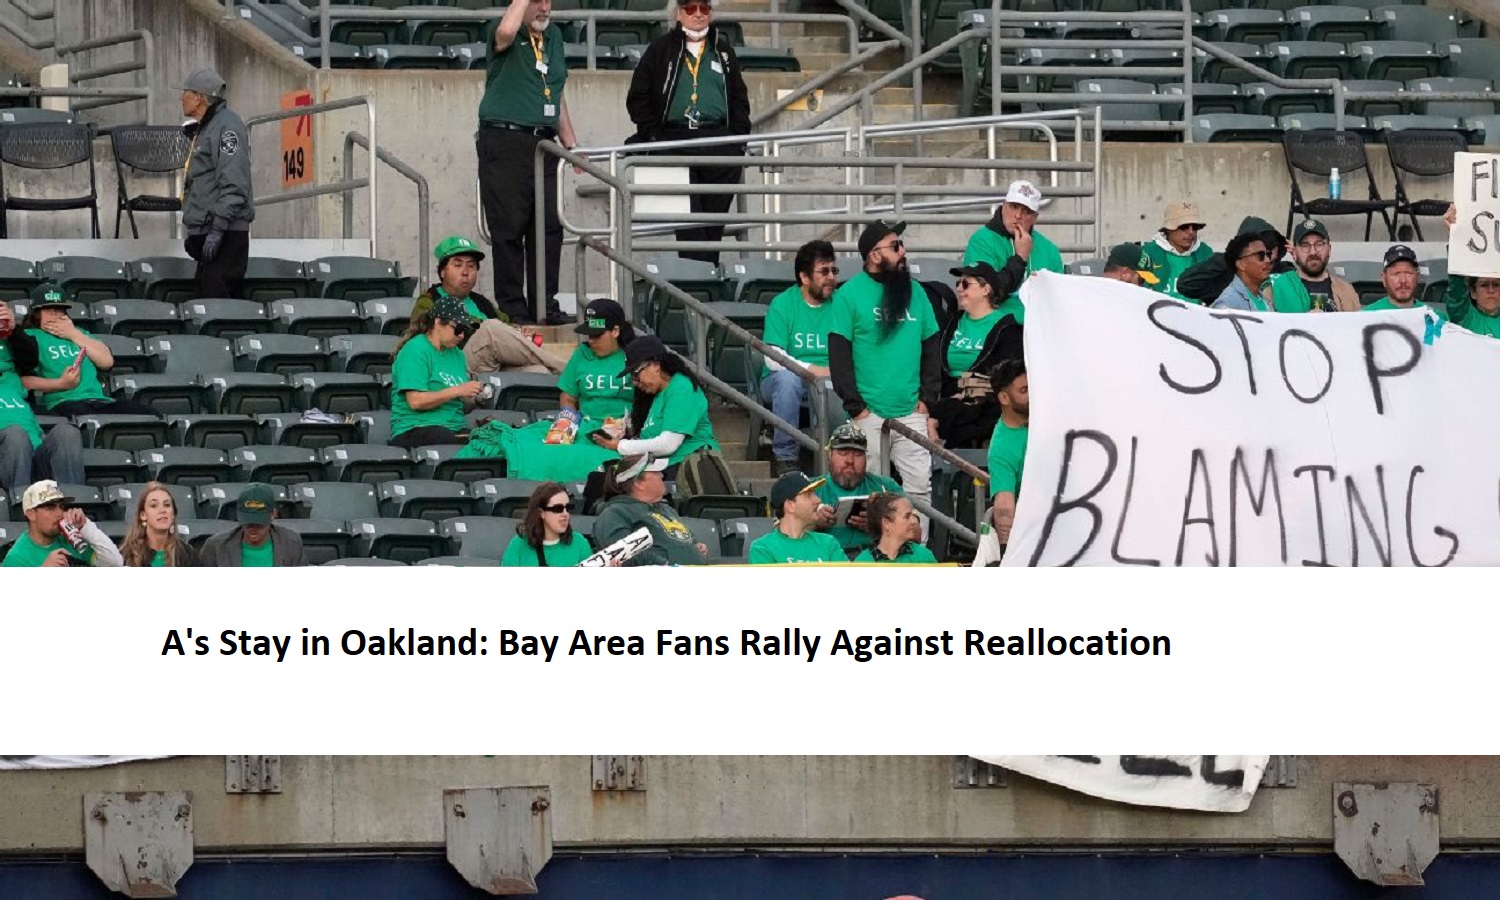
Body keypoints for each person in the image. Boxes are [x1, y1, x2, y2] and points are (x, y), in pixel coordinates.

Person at [829, 219, 941, 528]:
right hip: (870, 414)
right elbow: (839, 355)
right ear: (874, 254)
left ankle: (919, 556)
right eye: (895, 246)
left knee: (920, 489)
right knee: (875, 493)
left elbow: (932, 345)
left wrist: (927, 399)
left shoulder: (916, 292)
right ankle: (878, 555)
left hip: (911, 412)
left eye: (901, 244)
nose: (903, 251)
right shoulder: (848, 295)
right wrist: (856, 407)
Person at [624, 0, 751, 265]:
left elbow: (739, 99)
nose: (698, 14)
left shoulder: (723, 51)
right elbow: (638, 96)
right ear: (678, 13)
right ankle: (698, 280)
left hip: (718, 142)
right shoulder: (660, 49)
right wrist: (652, 135)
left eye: (704, 9)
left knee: (713, 227)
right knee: (688, 223)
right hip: (675, 142)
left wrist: (737, 140)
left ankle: (703, 282)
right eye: (691, 8)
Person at [477, 0, 578, 324]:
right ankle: (513, 309)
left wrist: (571, 144)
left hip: (545, 142)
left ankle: (544, 306)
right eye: (538, 1)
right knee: (509, 228)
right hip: (506, 140)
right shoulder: (505, 28)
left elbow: (555, 94)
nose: (545, 7)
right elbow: (506, 31)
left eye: (549, 1)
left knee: (550, 227)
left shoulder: (555, 38)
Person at [409, 236, 566, 376]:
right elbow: (421, 334)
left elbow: (504, 326)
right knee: (490, 329)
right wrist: (479, 326)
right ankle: (568, 370)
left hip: (492, 366)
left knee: (539, 372)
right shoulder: (430, 299)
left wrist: (518, 333)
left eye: (471, 266)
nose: (465, 272)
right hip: (453, 366)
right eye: (458, 265)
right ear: (442, 271)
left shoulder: (481, 302)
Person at [589, 335, 720, 480]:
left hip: (690, 470)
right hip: (661, 468)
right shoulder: (658, 394)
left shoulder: (681, 389)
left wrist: (620, 445)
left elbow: (668, 444)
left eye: (636, 374)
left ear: (656, 364)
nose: (636, 382)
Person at [760, 239, 839, 474]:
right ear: (804, 277)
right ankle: (786, 458)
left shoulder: (843, 304)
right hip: (785, 378)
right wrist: (811, 369)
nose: (831, 277)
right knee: (788, 380)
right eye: (823, 272)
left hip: (833, 378)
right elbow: (773, 357)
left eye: (834, 270)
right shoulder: (783, 304)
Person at [19, 285, 156, 417]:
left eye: (59, 309)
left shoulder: (79, 333)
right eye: (48, 309)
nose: (54, 314)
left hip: (99, 400)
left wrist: (73, 334)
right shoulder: (29, 336)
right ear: (36, 313)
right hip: (63, 402)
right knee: (85, 415)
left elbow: (106, 362)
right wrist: (60, 384)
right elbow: (20, 380)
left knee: (150, 415)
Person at [929, 261, 1023, 449]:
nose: (959, 289)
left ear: (986, 289)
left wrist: (967, 393)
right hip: (948, 397)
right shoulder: (951, 323)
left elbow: (1006, 376)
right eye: (957, 284)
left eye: (966, 284)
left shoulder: (1008, 328)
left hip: (984, 399)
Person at [179, 66, 253, 300]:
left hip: (225, 234)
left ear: (199, 98)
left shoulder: (226, 127)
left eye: (186, 92)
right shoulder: (208, 127)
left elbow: (235, 184)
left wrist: (217, 229)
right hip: (211, 231)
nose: (181, 97)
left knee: (217, 308)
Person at [1, 300, 84, 495]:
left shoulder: (11, 376)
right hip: (6, 454)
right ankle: (20, 510)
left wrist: (13, 329)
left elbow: (30, 359)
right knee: (15, 435)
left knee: (66, 432)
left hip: (34, 450)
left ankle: (74, 509)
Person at [388, 295, 484, 450]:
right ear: (438, 322)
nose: (462, 336)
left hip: (454, 427)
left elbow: (457, 404)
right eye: (458, 329)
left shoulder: (458, 355)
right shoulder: (415, 350)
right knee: (444, 438)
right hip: (415, 428)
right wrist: (457, 390)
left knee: (490, 440)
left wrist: (475, 398)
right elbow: (415, 401)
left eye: (466, 330)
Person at [961, 180, 1060, 324]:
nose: (1018, 215)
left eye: (1026, 211)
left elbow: (1057, 299)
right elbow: (985, 296)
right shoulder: (982, 241)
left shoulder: (1049, 250)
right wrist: (1020, 259)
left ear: (1034, 218)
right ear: (1003, 206)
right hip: (993, 328)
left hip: (1038, 329)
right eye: (1014, 207)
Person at [592, 453, 710, 565]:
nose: (662, 475)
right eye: (655, 472)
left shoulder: (667, 509)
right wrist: (666, 564)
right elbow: (626, 556)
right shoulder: (614, 515)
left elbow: (684, 539)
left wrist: (694, 547)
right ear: (638, 483)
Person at [811, 421, 903, 558]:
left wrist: (879, 526)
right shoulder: (809, 489)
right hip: (825, 563)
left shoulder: (886, 487)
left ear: (866, 458)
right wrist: (812, 522)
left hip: (875, 563)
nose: (850, 460)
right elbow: (784, 534)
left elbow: (915, 532)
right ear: (830, 454)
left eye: (858, 454)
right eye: (843, 452)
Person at [1, 479, 123, 567]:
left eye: (61, 506)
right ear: (31, 514)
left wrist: (85, 526)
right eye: (50, 508)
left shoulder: (70, 537)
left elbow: (115, 563)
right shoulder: (17, 558)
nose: (60, 513)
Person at [1175, 216, 1286, 304]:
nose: (1267, 260)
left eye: (1271, 258)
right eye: (1260, 254)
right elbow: (1185, 285)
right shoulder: (1224, 277)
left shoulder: (1284, 273)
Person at [559, 298, 635, 424]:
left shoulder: (635, 354)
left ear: (615, 331)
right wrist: (569, 424)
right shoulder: (582, 353)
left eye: (597, 335)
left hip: (627, 431)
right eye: (589, 335)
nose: (591, 341)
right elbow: (567, 398)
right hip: (585, 427)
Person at [747, 471, 848, 564]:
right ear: (790, 506)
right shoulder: (763, 549)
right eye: (809, 495)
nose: (818, 500)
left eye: (814, 494)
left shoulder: (829, 544)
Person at [201, 483, 309, 567]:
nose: (253, 529)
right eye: (248, 524)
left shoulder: (291, 543)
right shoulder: (216, 546)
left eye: (259, 524)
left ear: (273, 514)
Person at [1267, 219, 1361, 313]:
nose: (1313, 252)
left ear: (1329, 249)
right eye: (1305, 245)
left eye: (1319, 244)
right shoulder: (1276, 286)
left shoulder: (1346, 290)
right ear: (1294, 253)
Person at [986, 359, 1029, 549]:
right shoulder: (1000, 448)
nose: (1033, 395)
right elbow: (1004, 502)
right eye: (1024, 390)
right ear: (1004, 398)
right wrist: (1006, 548)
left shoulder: (1050, 413)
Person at [501, 481, 596, 566]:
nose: (565, 514)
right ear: (541, 513)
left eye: (568, 507)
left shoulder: (579, 543)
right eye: (557, 509)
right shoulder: (519, 544)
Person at [1441, 203, 1499, 338]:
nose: (1491, 290)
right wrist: (1455, 236)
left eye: (1496, 284)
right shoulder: (1464, 315)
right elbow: (1457, 287)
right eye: (1484, 285)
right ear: (1473, 292)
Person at [1140, 201, 1212, 303]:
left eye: (1195, 227)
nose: (1191, 232)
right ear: (1168, 229)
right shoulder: (1148, 252)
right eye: (1184, 227)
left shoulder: (1205, 253)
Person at [119, 481, 200, 567]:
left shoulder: (187, 554)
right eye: (154, 505)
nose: (162, 510)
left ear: (173, 515)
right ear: (143, 515)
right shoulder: (126, 555)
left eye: (167, 505)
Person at [853, 491, 938, 564]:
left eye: (913, 515)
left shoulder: (924, 556)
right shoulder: (863, 563)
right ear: (886, 523)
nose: (914, 521)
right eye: (907, 516)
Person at [1211, 230, 1278, 312]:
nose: (1268, 260)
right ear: (1241, 264)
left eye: (1268, 254)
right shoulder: (1228, 304)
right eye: (1260, 256)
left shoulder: (1264, 300)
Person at [1362, 244, 1428, 312]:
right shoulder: (1367, 316)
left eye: (1408, 273)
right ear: (1384, 279)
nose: (1403, 280)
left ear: (1418, 277)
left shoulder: (1433, 317)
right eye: (1396, 274)